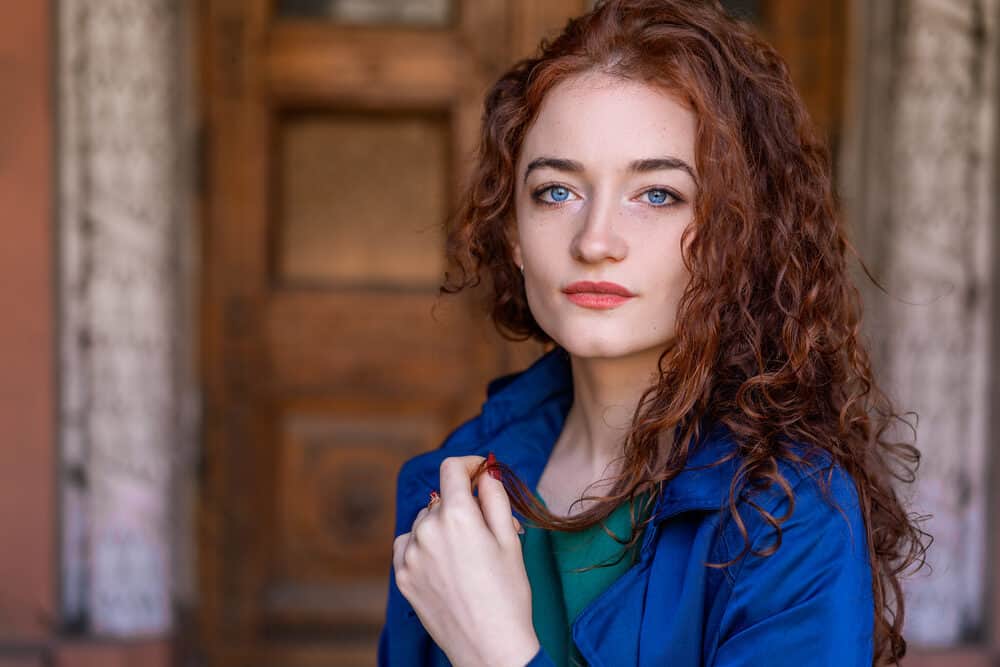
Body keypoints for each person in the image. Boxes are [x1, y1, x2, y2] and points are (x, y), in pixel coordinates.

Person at [378, 1, 928, 665]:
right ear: (513, 234)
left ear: (737, 234)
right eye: (556, 191)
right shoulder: (452, 482)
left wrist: (495, 651)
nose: (596, 240)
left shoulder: (792, 512)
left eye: (658, 194)